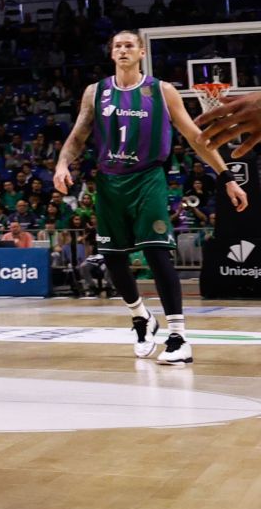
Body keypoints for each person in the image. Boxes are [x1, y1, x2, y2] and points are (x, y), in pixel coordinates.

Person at [55, 29, 247, 365]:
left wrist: (227, 176)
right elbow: (78, 135)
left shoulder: (162, 91)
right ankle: (141, 317)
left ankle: (178, 336)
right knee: (113, 257)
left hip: (148, 179)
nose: (123, 49)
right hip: (109, 182)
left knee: (157, 253)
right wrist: (61, 164)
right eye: (117, 45)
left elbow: (195, 136)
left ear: (141, 52)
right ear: (111, 53)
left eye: (129, 45)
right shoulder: (95, 92)